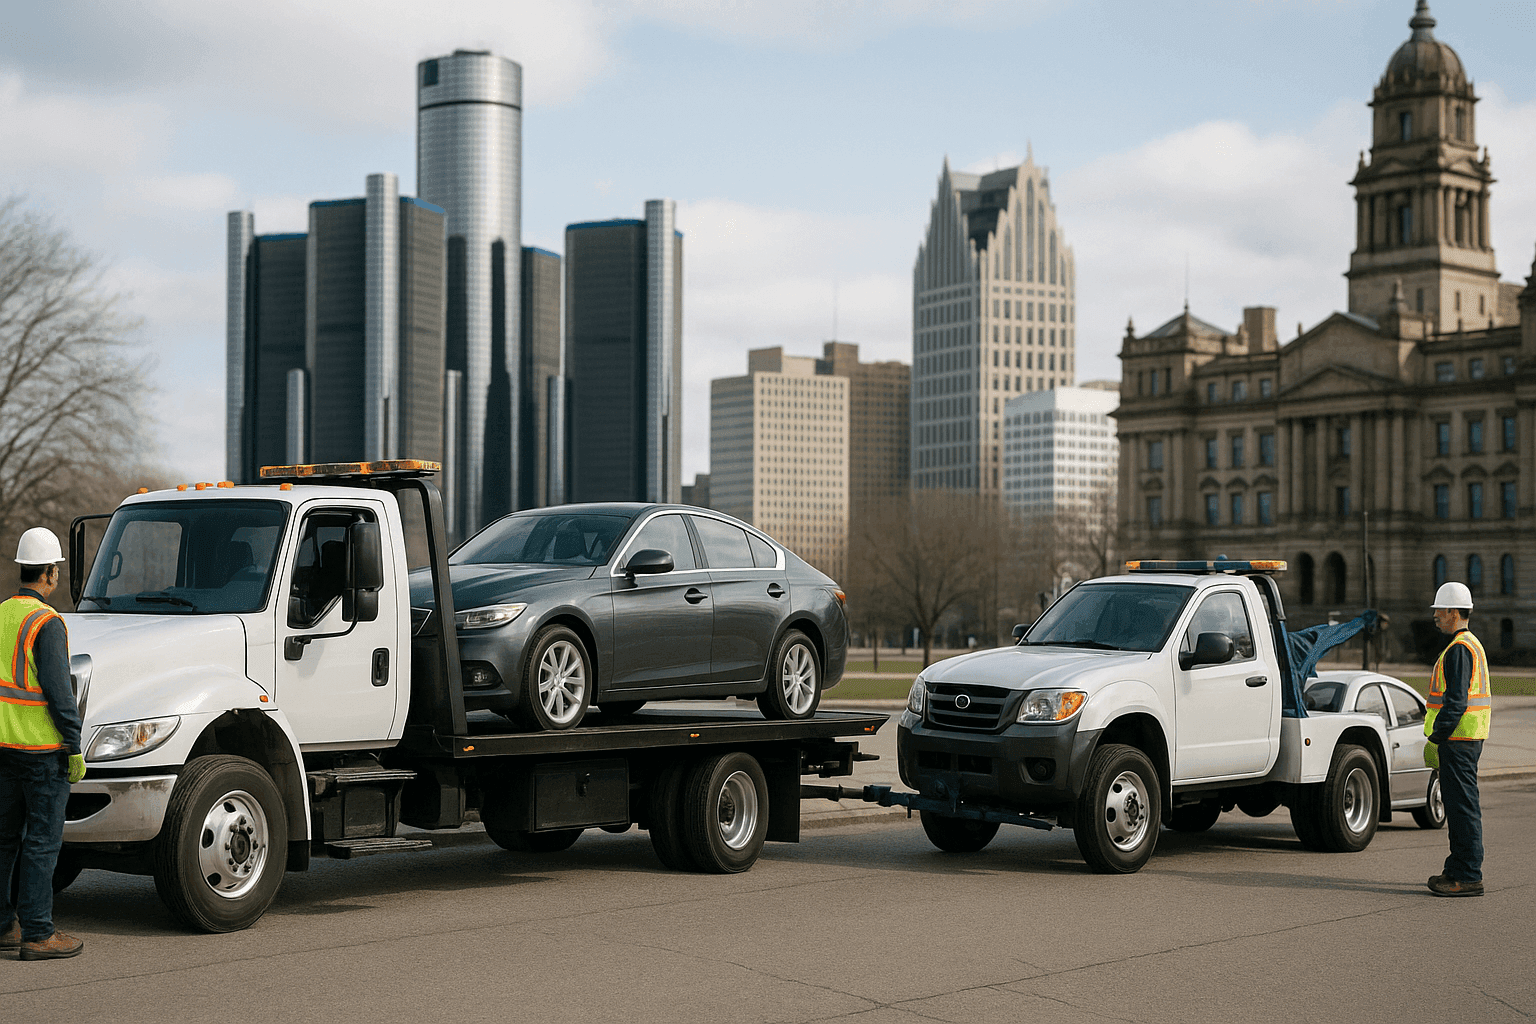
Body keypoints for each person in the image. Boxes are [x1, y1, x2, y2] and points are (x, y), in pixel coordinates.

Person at [0, 527, 85, 959]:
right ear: (50, 574)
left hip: (3, 749)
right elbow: (59, 692)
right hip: (41, 753)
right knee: (41, 843)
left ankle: (2, 927)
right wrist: (74, 745)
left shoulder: (1, 615)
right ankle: (37, 933)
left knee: (4, 839)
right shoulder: (46, 623)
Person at [1423, 581, 1490, 897]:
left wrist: (1437, 738)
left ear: (1452, 611)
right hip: (1466, 739)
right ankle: (1457, 869)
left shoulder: (1459, 649)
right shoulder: (1470, 644)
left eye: (1438, 610)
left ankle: (1466, 875)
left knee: (1462, 807)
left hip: (1458, 740)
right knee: (1461, 804)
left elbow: (1456, 702)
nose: (1435, 615)